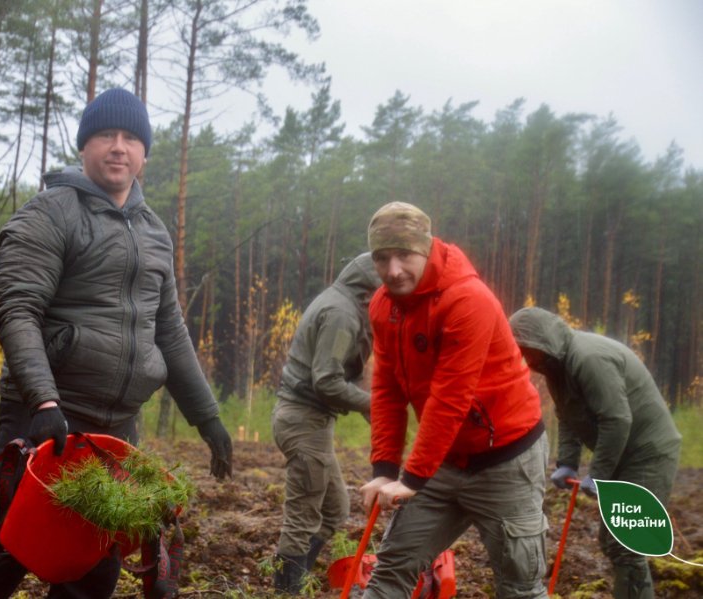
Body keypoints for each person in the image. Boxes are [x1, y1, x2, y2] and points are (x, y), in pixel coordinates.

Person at [0, 88, 233, 599]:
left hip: (117, 428)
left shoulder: (154, 233)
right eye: (106, 135)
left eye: (131, 138)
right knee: (5, 551)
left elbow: (169, 332)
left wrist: (208, 418)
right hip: (48, 418)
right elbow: (18, 310)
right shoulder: (50, 213)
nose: (118, 147)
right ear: (84, 145)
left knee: (93, 568)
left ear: (144, 152)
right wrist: (43, 401)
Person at [359, 202, 549, 599]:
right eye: (382, 258)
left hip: (507, 460)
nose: (393, 270)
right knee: (391, 568)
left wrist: (412, 479)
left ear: (426, 249)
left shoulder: (467, 300)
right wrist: (385, 469)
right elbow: (387, 389)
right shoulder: (383, 305)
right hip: (445, 460)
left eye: (404, 255)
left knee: (520, 587)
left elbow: (451, 397)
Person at [509, 306, 682, 599]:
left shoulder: (589, 358)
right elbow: (567, 417)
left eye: (526, 350)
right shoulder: (556, 368)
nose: (526, 358)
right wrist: (567, 463)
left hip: (648, 455)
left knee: (627, 543)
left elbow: (617, 419)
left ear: (542, 340)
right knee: (616, 542)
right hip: (625, 455)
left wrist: (598, 474)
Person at [271, 253, 381, 594]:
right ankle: (286, 591)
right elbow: (327, 381)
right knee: (302, 518)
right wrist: (374, 405)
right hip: (303, 420)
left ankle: (298, 579)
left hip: (312, 421)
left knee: (334, 509)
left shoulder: (343, 304)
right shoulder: (341, 314)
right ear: (371, 289)